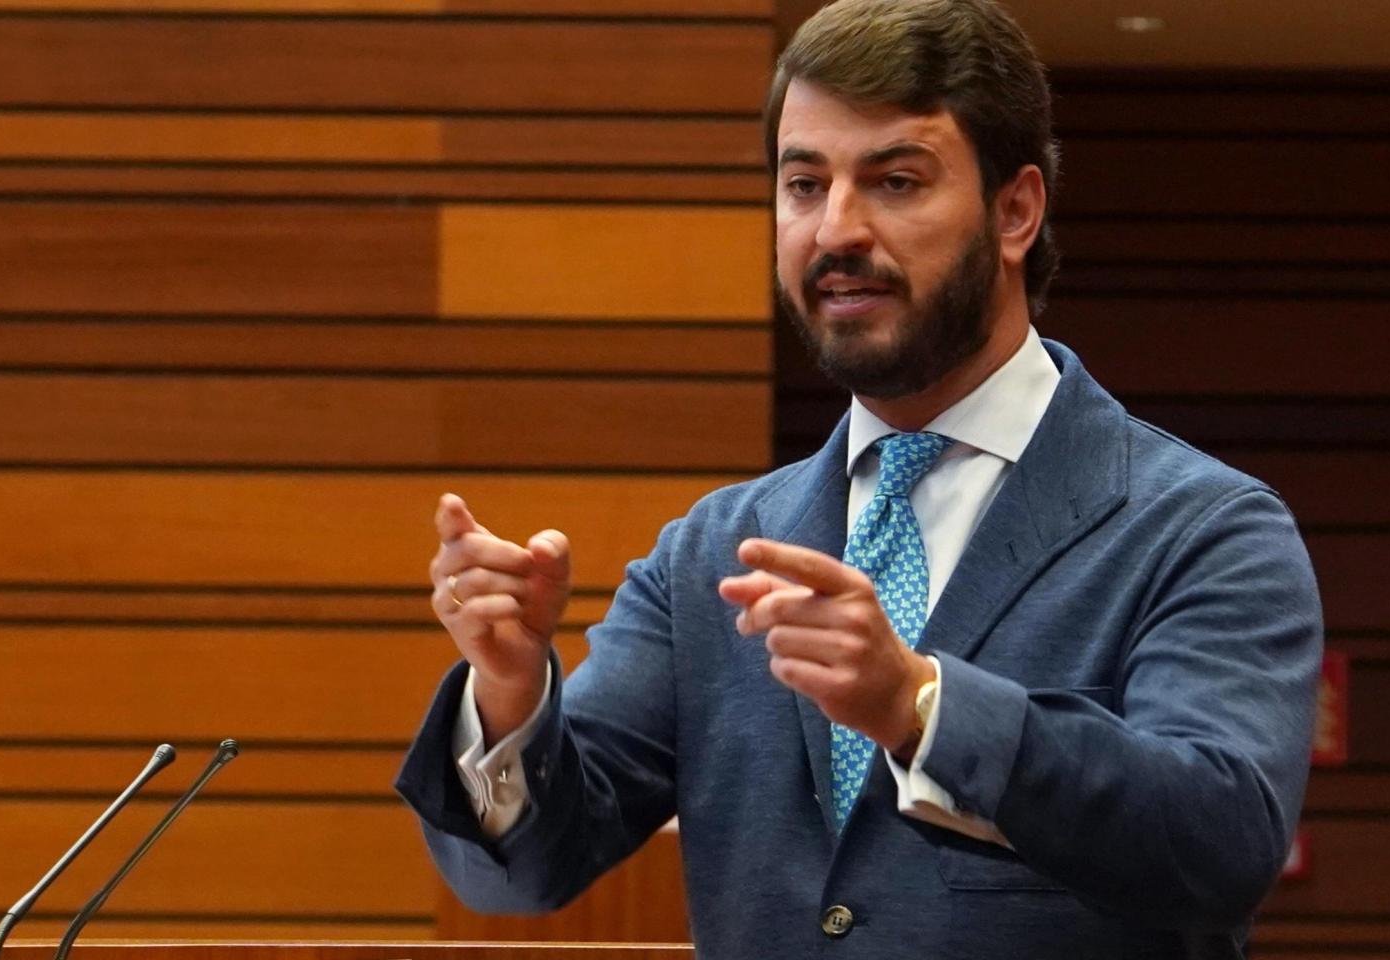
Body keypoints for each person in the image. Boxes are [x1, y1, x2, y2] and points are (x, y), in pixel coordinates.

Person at [396, 0, 1322, 956]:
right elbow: (524, 871)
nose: (836, 229)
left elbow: (1221, 843)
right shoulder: (709, 554)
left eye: (895, 181)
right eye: (804, 184)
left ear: (1015, 211)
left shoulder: (1202, 529)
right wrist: (508, 691)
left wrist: (921, 708)